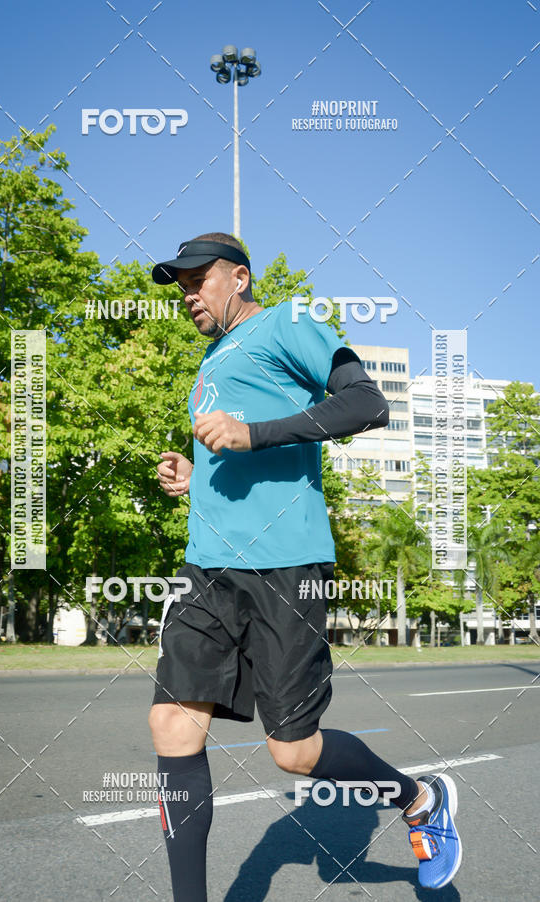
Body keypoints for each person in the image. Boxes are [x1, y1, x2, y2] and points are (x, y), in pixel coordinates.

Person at [149, 233, 462, 900]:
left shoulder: (290, 319)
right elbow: (230, 449)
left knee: (295, 752)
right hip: (208, 567)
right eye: (179, 285)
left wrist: (251, 435)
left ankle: (420, 799)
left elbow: (366, 404)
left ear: (239, 277)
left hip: (286, 565)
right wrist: (193, 473)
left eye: (197, 279)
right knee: (172, 723)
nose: (187, 294)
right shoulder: (209, 363)